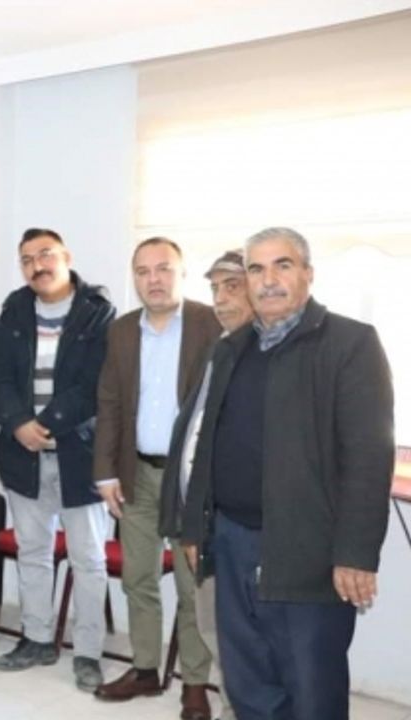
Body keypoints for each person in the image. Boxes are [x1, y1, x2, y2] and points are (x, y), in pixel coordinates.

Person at [181, 228, 395, 720]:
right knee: (248, 684)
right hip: (232, 544)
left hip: (309, 552)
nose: (268, 279)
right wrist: (195, 527)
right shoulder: (232, 348)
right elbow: (206, 444)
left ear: (307, 274)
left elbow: (369, 458)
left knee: (311, 688)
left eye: (283, 265)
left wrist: (356, 555)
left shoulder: (350, 343)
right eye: (256, 269)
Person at [91, 238, 221, 719]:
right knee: (138, 578)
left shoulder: (211, 324)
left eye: (164, 268)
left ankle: (194, 682)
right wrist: (105, 472)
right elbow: (109, 403)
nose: (154, 279)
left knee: (192, 586)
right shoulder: (122, 330)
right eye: (143, 271)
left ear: (181, 273)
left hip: (190, 483)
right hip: (137, 475)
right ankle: (145, 669)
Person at [0, 228, 116, 692]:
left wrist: (44, 424)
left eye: (45, 254)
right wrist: (18, 423)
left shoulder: (97, 312)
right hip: (24, 455)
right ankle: (37, 638)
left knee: (88, 559)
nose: (36, 265)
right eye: (26, 259)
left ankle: (87, 652)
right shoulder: (14, 310)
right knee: (34, 553)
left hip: (80, 454)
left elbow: (95, 384)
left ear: (66, 257)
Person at [158, 248, 254, 720]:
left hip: (243, 528)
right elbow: (196, 437)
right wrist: (188, 521)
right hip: (207, 522)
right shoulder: (222, 349)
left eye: (232, 286)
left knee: (244, 640)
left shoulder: (266, 358)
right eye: (215, 288)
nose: (220, 298)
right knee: (216, 630)